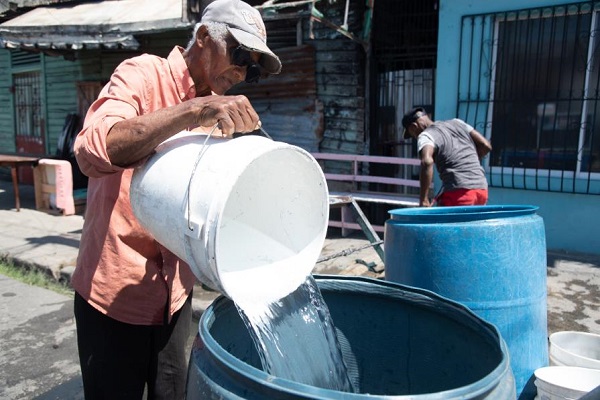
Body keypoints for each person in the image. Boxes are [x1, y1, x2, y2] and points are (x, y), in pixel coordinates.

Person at [71, 0, 281, 398]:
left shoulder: (221, 113)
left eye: (253, 70)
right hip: (113, 296)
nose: (242, 74)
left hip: (175, 297)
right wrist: (193, 110)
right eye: (240, 56)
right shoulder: (141, 74)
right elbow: (92, 151)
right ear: (203, 37)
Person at [402, 107, 492, 207]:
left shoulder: (426, 136)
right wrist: (469, 162)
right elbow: (486, 146)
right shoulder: (458, 123)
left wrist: (424, 199)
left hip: (459, 193)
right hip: (481, 189)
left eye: (413, 135)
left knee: (440, 217)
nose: (415, 137)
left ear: (414, 126)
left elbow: (426, 162)